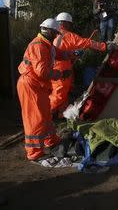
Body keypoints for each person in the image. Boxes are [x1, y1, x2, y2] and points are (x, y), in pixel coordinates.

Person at [17, 18, 72, 161]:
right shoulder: (39, 46)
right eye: (55, 33)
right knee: (35, 118)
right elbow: (43, 72)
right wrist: (61, 74)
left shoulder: (46, 44)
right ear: (50, 31)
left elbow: (58, 53)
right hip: (30, 85)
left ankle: (51, 141)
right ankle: (34, 152)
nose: (56, 36)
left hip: (37, 85)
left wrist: (72, 54)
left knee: (45, 114)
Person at [49, 12, 109, 115]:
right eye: (69, 23)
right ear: (65, 23)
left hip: (53, 66)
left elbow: (60, 51)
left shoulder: (52, 34)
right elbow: (87, 42)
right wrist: (104, 46)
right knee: (59, 94)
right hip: (62, 68)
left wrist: (73, 54)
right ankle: (45, 113)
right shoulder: (68, 35)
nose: (70, 26)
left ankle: (61, 114)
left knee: (62, 91)